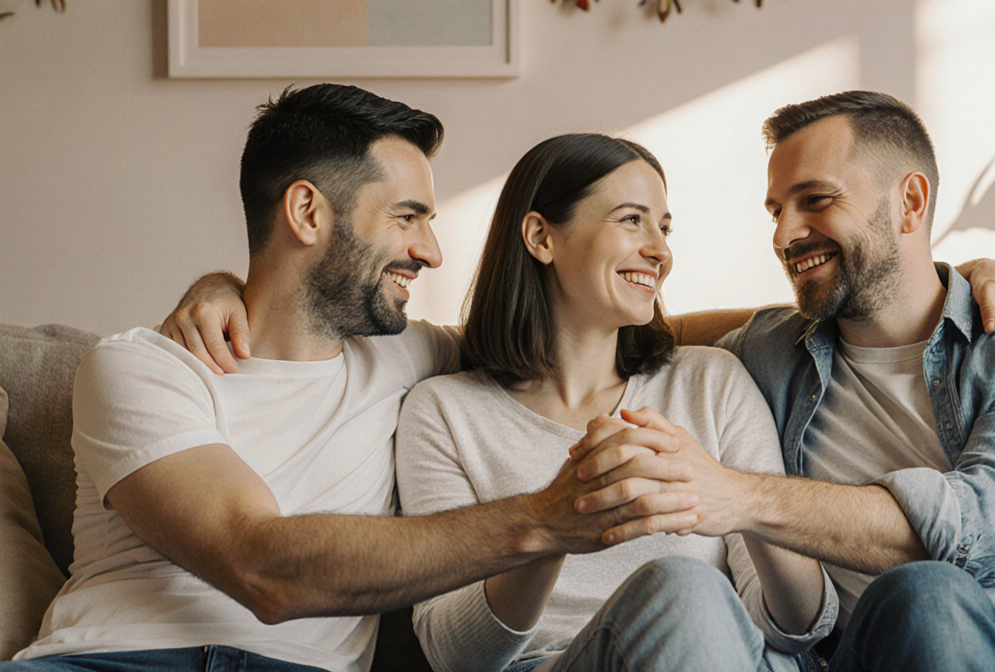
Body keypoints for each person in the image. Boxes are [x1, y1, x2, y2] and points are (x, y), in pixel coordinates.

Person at [1, 85, 701, 672]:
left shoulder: (406, 358)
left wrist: (750, 329)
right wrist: (546, 518)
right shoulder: (141, 367)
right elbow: (261, 567)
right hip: (112, 660)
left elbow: (570, 330)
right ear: (307, 212)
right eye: (408, 218)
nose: (430, 251)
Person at [568, 91, 995, 671]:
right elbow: (648, 333)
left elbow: (978, 532)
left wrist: (739, 497)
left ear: (910, 203)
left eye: (816, 201)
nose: (784, 235)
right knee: (926, 594)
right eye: (777, 210)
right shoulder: (768, 353)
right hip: (902, 642)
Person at [393, 133, 836, 672]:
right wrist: (550, 527)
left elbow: (801, 624)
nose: (660, 251)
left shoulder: (711, 381)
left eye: (664, 228)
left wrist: (741, 501)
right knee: (683, 587)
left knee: (694, 595)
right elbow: (454, 655)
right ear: (541, 237)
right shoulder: (444, 413)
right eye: (631, 220)